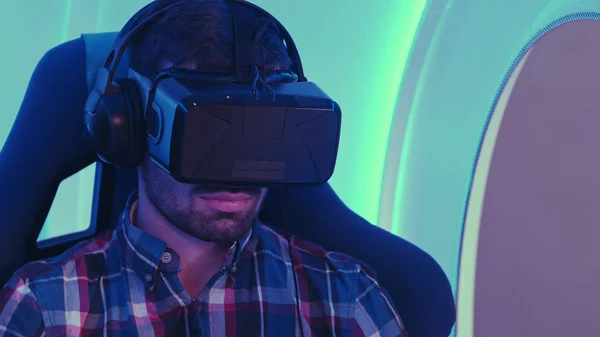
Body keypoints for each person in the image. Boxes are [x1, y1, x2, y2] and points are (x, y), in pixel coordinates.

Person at [0, 1, 407, 336]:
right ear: (133, 126)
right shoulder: (44, 309)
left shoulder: (347, 301)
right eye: (209, 130)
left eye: (257, 129)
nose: (236, 172)